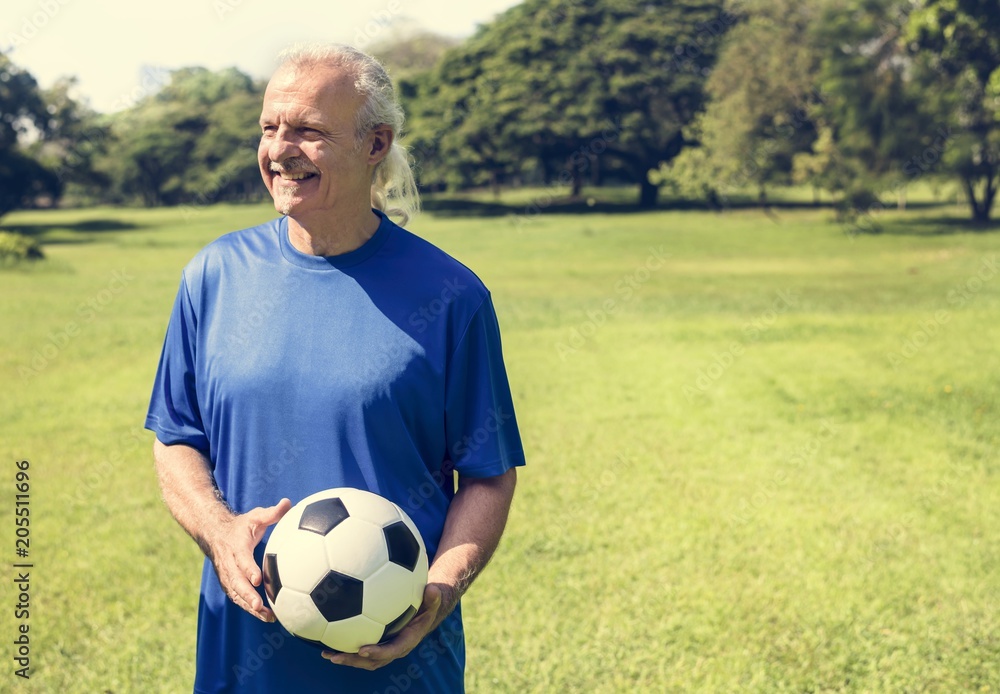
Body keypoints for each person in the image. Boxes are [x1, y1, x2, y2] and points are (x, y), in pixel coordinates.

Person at [145, 43, 525, 693]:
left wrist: (436, 591)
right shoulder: (212, 277)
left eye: (309, 131)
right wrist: (219, 529)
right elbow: (176, 438)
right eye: (270, 127)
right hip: (242, 660)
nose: (280, 149)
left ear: (376, 143)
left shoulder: (452, 296)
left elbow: (487, 476)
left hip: (401, 666)